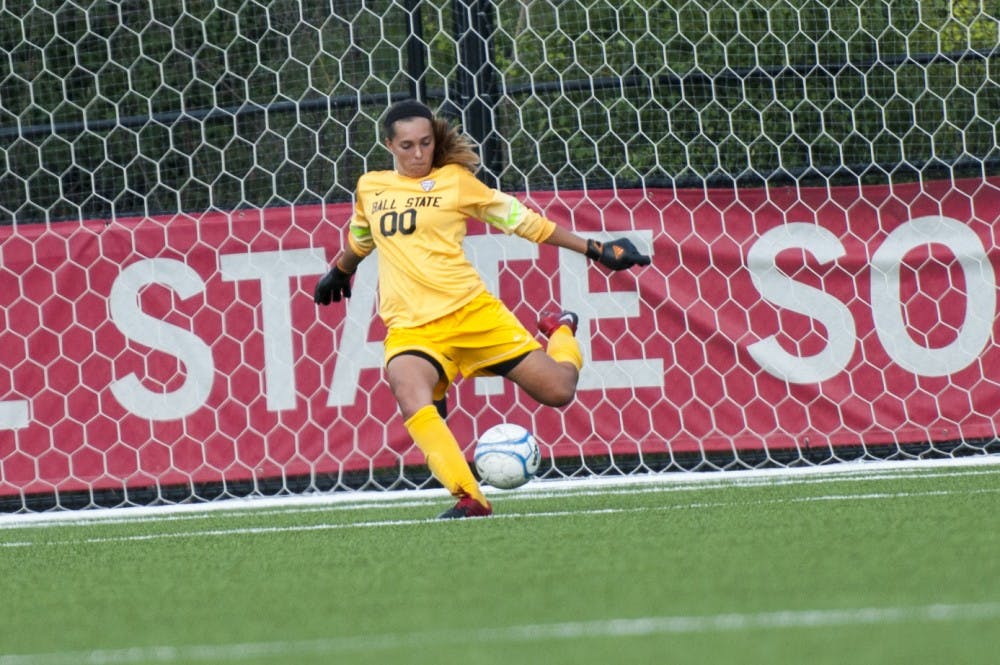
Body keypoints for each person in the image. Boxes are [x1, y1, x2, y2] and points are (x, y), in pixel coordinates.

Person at [315, 99, 650, 519]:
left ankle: (561, 330)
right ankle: (471, 497)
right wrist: (340, 270)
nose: (418, 154)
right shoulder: (371, 187)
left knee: (558, 390)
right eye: (407, 146)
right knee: (409, 390)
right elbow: (362, 238)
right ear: (389, 146)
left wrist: (597, 249)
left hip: (472, 314)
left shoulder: (455, 182)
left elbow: (524, 221)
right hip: (411, 328)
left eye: (425, 143)